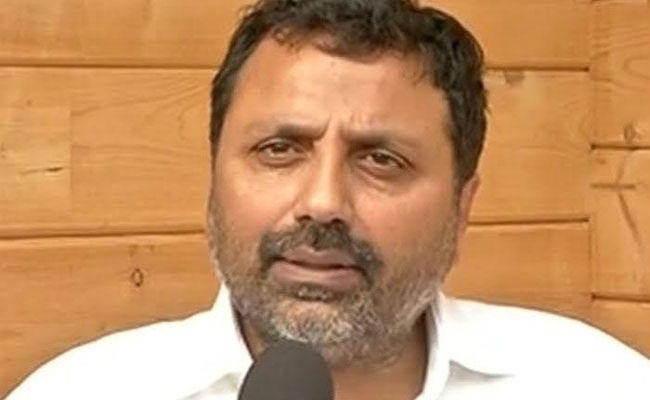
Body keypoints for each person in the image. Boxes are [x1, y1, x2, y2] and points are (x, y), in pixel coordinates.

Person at [8, 0, 649, 399]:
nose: (322, 202)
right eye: (279, 149)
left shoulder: (598, 385)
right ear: (213, 181)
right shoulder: (78, 393)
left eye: (381, 159)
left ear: (462, 209)